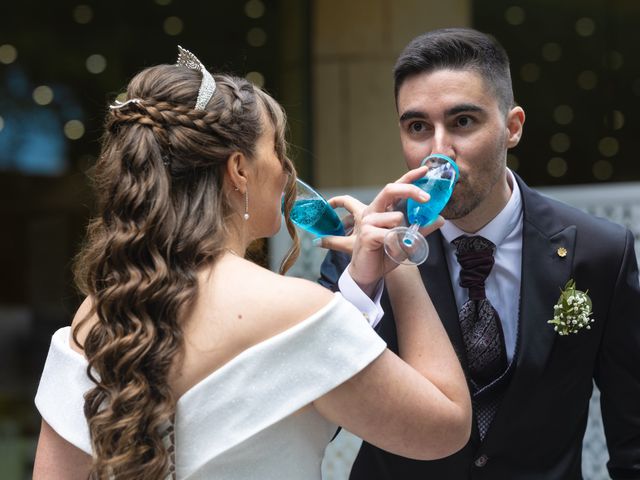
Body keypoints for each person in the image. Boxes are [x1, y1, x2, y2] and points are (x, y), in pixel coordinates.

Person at [31, 46, 471, 480]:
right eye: (277, 149)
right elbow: (445, 427)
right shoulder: (297, 310)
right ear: (239, 169)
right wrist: (401, 254)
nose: (286, 171)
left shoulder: (101, 314)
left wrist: (362, 278)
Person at [320, 28, 640, 479]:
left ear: (512, 127)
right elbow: (319, 421)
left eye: (462, 122)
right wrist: (363, 285)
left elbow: (634, 440)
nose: (438, 152)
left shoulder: (600, 252)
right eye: (417, 127)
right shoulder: (360, 255)